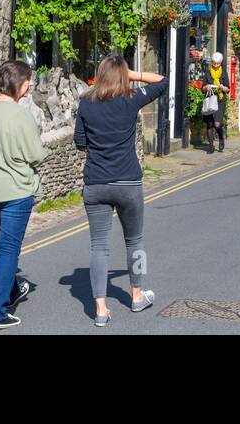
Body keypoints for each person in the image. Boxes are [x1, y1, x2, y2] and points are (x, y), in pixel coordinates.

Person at [74, 55, 168, 327]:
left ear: (100, 75)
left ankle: (100, 310)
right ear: (123, 76)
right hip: (128, 183)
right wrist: (133, 75)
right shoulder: (131, 99)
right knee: (135, 241)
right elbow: (163, 81)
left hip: (95, 183)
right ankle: (137, 295)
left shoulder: (85, 103)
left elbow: (81, 142)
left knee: (99, 247)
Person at [0, 59, 46, 330]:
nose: (30, 86)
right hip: (15, 190)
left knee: (1, 243)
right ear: (20, 83)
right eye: (28, 81)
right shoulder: (19, 114)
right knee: (8, 248)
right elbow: (36, 154)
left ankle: (13, 291)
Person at [201, 51, 228, 153]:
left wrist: (222, 87)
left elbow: (228, 89)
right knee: (210, 124)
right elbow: (202, 88)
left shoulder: (224, 73)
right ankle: (211, 146)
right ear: (212, 62)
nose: (216, 65)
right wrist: (206, 87)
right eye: (214, 63)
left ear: (220, 63)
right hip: (210, 99)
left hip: (220, 100)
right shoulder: (208, 73)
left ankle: (221, 138)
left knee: (217, 124)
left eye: (218, 63)